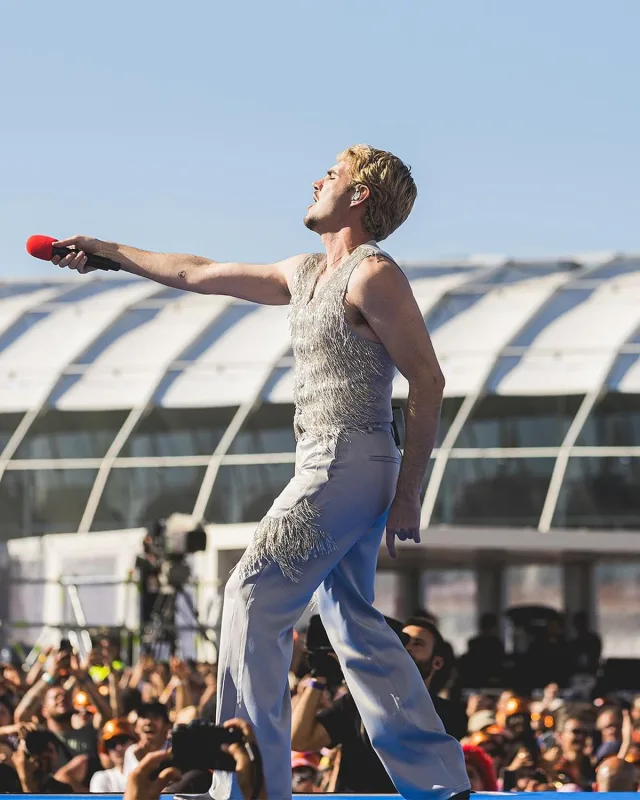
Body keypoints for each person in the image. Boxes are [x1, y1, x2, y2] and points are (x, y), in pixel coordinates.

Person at [54, 144, 470, 800]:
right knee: (352, 620)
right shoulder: (305, 273)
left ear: (359, 196)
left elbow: (429, 378)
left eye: (331, 174)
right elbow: (197, 272)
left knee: (250, 594)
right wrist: (110, 252)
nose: (316, 178)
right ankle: (441, 782)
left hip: (346, 461)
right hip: (334, 463)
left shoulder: (373, 274)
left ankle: (249, 784)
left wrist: (410, 492)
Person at [291, 617, 467, 794]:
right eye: (400, 641)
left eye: (418, 644)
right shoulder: (358, 704)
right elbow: (299, 740)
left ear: (437, 662)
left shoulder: (450, 714)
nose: (406, 648)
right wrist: (319, 675)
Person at [90, 718, 137, 793]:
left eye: (123, 740)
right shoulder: (102, 778)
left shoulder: (150, 774)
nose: (118, 748)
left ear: (135, 742)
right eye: (112, 744)